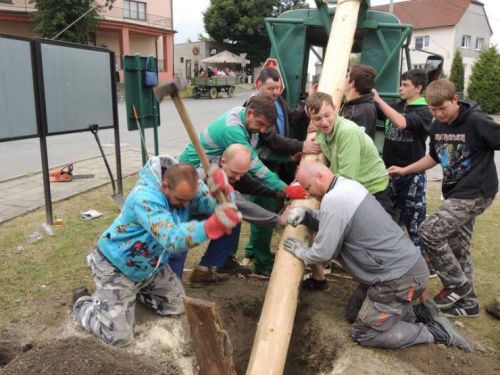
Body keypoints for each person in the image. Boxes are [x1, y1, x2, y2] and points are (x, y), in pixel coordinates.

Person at [282, 160, 472, 352]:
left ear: (320, 177)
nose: (308, 193)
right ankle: (420, 313)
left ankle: (433, 332)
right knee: (354, 314)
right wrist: (306, 214)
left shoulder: (335, 199)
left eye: (308, 187)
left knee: (364, 333)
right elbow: (335, 223)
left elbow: (323, 253)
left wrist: (302, 252)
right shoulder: (347, 186)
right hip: (400, 272)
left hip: (398, 280)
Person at [73, 156, 241, 346]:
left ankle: (131, 296)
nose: (186, 205)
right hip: (116, 267)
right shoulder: (144, 198)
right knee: (119, 339)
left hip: (152, 268)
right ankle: (84, 305)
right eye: (180, 199)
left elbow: (219, 206)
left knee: (177, 307)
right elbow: (172, 239)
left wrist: (223, 191)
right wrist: (210, 226)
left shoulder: (189, 188)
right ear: (165, 186)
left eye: (189, 200)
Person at [388, 79, 500, 318]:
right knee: (459, 246)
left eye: (444, 108)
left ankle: (459, 285)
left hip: (477, 191)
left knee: (428, 232)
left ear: (455, 100)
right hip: (455, 192)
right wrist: (405, 169)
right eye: (434, 110)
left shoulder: (477, 121)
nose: (439, 114)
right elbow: (435, 158)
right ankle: (468, 305)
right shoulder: (437, 125)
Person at [303, 92, 392, 290]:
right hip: (356, 191)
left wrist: (317, 192)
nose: (324, 121)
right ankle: (319, 279)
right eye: (317, 119)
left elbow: (346, 179)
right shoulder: (324, 132)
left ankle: (386, 288)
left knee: (367, 248)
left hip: (372, 193)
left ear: (336, 109)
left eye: (327, 115)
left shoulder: (347, 132)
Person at [169, 144, 288, 286]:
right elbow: (241, 206)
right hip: (176, 221)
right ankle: (163, 285)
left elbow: (252, 188)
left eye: (241, 174)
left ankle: (205, 270)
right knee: (174, 263)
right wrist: (278, 220)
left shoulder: (228, 175)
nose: (238, 178)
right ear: (223, 161)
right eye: (235, 173)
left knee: (231, 220)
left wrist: (282, 192)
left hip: (199, 213)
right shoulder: (205, 177)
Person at [243, 67, 321, 276]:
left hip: (272, 165)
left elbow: (292, 117)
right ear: (258, 85)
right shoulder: (256, 107)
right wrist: (300, 146)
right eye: (271, 88)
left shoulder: (277, 101)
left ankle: (253, 249)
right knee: (265, 215)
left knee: (263, 212)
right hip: (260, 169)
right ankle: (263, 263)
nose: (276, 91)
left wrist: (308, 105)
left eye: (278, 87)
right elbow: (271, 139)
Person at [373, 69, 432, 264]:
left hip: (411, 176)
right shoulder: (399, 105)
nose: (400, 88)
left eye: (406, 85)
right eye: (401, 83)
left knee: (414, 224)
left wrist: (378, 99)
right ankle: (395, 261)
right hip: (391, 175)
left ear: (419, 88)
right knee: (388, 220)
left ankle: (424, 266)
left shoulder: (424, 112)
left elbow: (400, 123)